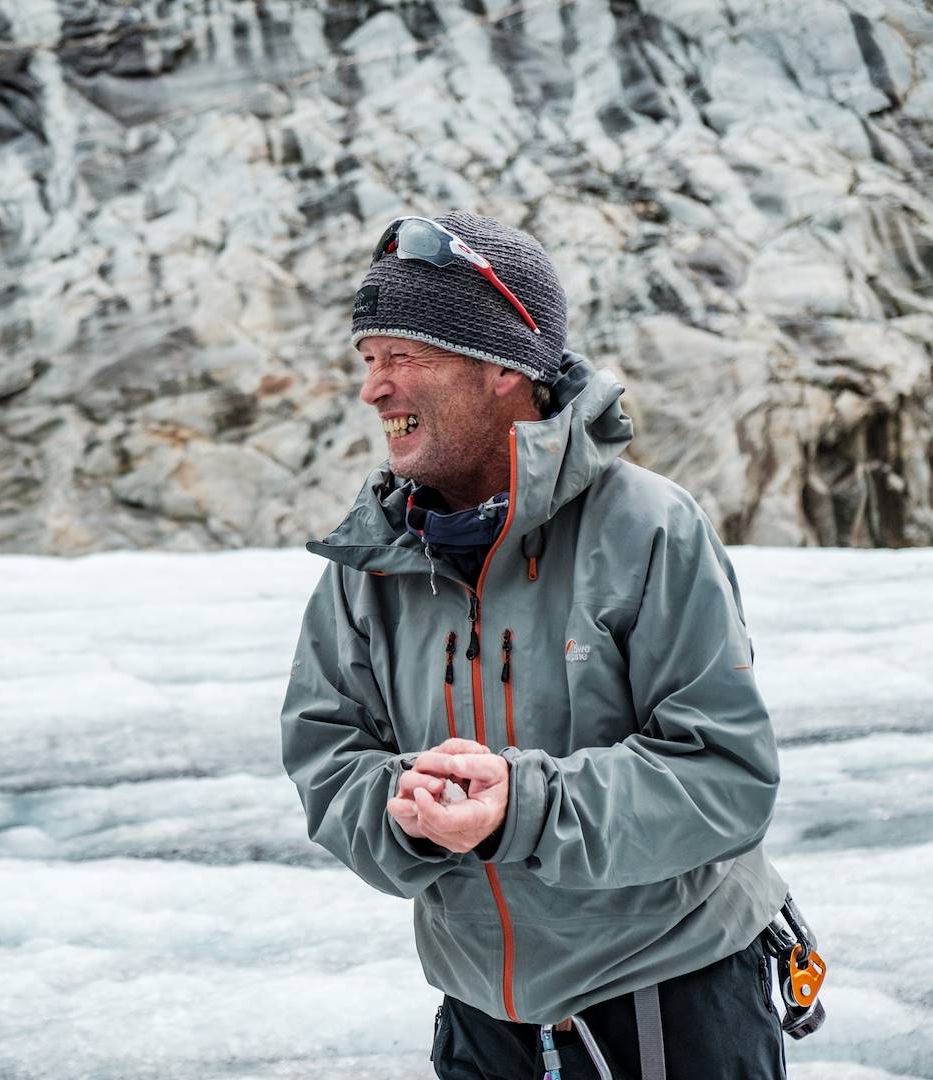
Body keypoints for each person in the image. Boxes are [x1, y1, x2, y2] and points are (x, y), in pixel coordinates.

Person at [279, 211, 791, 1078]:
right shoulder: (370, 560)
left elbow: (724, 777)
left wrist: (521, 807)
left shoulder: (647, 528)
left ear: (501, 370)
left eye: (403, 358)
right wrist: (408, 809)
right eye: (369, 362)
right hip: (482, 1019)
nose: (374, 390)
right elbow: (327, 758)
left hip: (672, 999)